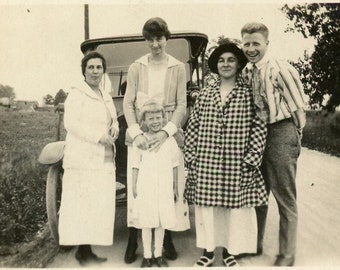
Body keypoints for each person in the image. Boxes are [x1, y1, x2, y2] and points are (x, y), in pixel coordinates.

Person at [184, 42, 268, 267]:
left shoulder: (249, 93)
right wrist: (191, 157)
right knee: (207, 210)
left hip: (236, 161)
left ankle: (230, 253)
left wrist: (251, 159)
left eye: (231, 60)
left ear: (239, 63)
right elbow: (193, 126)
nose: (226, 64)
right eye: (221, 60)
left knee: (234, 211)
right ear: (215, 66)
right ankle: (208, 252)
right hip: (207, 160)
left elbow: (259, 127)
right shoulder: (204, 94)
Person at [123, 17, 190, 264]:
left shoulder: (178, 67)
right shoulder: (136, 66)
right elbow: (128, 103)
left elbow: (182, 105)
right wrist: (137, 134)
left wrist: (165, 133)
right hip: (141, 137)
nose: (155, 44)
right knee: (140, 190)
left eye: (159, 38)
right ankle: (134, 240)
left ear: (166, 38)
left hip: (167, 134)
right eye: (150, 39)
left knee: (167, 188)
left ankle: (166, 241)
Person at [241, 22, 307, 267]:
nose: (251, 48)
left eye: (256, 43)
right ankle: (253, 244)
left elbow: (299, 111)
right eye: (246, 43)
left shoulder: (279, 68)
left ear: (267, 43)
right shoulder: (246, 72)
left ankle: (287, 253)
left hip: (280, 132)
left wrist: (294, 138)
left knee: (284, 195)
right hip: (256, 136)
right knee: (258, 194)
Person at [58, 51, 119, 265]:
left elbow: (113, 119)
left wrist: (114, 129)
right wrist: (97, 136)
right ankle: (82, 250)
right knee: (81, 203)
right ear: (84, 70)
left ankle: (87, 250)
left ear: (104, 71)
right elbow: (71, 124)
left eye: (98, 67)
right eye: (91, 67)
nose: (95, 71)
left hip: (102, 157)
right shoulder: (77, 93)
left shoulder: (106, 94)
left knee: (96, 204)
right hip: (82, 158)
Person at [130, 101, 188, 268]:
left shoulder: (169, 141)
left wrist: (176, 187)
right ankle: (147, 256)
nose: (155, 121)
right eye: (150, 119)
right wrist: (134, 185)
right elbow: (135, 165)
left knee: (161, 221)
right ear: (144, 121)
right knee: (147, 222)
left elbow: (175, 165)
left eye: (158, 117)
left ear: (164, 119)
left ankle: (158, 255)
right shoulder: (139, 142)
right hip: (146, 186)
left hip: (164, 187)